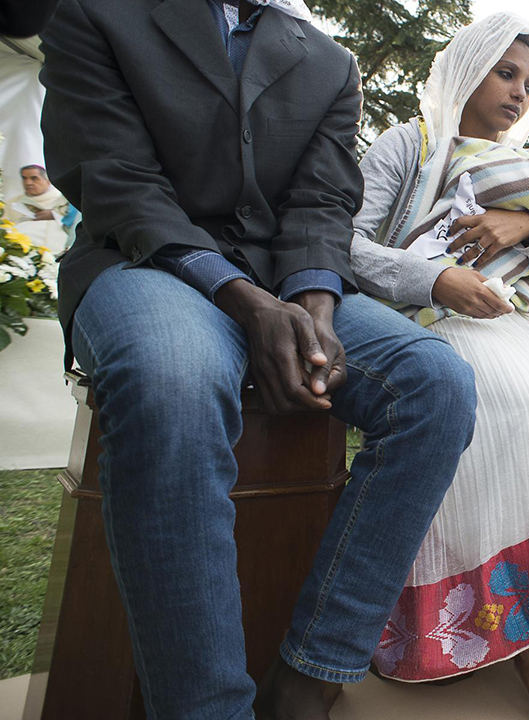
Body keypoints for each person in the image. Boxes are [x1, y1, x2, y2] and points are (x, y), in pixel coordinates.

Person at [39, 1, 478, 717]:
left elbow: (323, 202)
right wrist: (247, 301)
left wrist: (313, 304)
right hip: (143, 263)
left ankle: (310, 679)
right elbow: (115, 178)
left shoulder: (331, 63)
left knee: (436, 383)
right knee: (172, 381)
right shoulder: (96, 14)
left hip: (283, 278)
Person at [350, 15, 529, 720]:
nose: (519, 93)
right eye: (506, 73)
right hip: (434, 321)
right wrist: (436, 280)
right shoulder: (410, 145)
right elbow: (347, 244)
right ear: (468, 66)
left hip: (523, 321)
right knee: (519, 411)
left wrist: (527, 225)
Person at [3, 165, 76, 254]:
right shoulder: (11, 203)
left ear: (47, 180)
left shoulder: (63, 201)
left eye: (34, 178)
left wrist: (54, 215)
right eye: (24, 178)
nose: (28, 183)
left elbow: (74, 222)